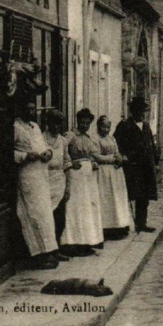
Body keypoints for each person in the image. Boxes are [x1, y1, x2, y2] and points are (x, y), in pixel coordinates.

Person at [13, 101, 59, 269]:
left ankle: (49, 251)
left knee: (45, 215)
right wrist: (25, 156)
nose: (31, 111)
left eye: (33, 108)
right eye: (28, 108)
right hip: (28, 176)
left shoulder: (35, 127)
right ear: (21, 109)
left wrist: (48, 152)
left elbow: (44, 146)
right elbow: (4, 152)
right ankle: (37, 255)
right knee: (33, 214)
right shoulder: (15, 127)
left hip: (41, 175)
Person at [61, 108, 104, 257]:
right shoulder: (70, 135)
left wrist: (93, 162)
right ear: (77, 121)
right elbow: (62, 151)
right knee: (76, 209)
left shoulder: (89, 137)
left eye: (87, 123)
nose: (84, 125)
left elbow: (93, 154)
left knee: (88, 209)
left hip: (88, 177)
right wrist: (71, 163)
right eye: (82, 122)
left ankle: (87, 242)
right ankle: (73, 243)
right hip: (75, 176)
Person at [114, 97, 160, 234]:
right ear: (132, 111)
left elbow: (151, 145)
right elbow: (116, 144)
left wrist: (156, 162)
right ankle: (124, 224)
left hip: (146, 168)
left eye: (143, 111)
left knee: (144, 196)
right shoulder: (124, 126)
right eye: (138, 111)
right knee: (129, 195)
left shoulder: (146, 126)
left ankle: (142, 223)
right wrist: (124, 157)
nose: (141, 114)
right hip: (132, 168)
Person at [44, 109, 75, 262]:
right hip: (44, 181)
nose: (56, 127)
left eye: (59, 124)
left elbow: (67, 163)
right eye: (53, 123)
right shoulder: (42, 139)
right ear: (48, 123)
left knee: (59, 219)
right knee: (46, 219)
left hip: (59, 181)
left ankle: (56, 249)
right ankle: (47, 252)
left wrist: (68, 187)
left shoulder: (62, 141)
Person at [95, 115, 132, 240]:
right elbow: (97, 156)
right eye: (103, 127)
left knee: (117, 199)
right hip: (103, 173)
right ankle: (107, 227)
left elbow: (117, 151)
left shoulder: (112, 139)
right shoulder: (96, 139)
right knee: (106, 199)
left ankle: (119, 225)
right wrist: (112, 159)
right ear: (98, 126)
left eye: (108, 127)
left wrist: (119, 158)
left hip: (115, 173)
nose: (106, 130)